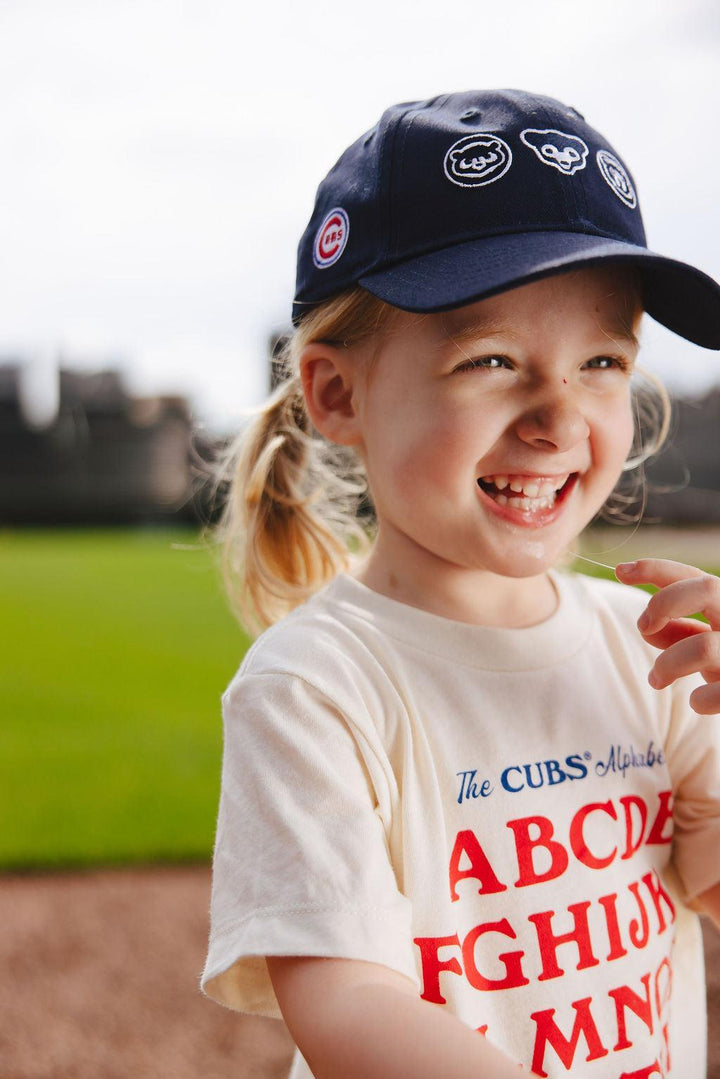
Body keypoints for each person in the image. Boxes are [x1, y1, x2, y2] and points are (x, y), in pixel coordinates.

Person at [201, 90, 720, 1078]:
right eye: (491, 359)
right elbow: (349, 1003)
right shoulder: (314, 687)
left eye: (602, 359)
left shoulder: (651, 645)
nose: (558, 418)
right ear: (338, 393)